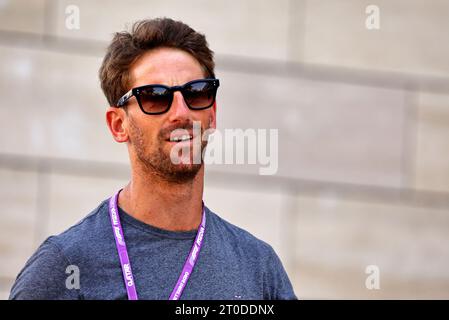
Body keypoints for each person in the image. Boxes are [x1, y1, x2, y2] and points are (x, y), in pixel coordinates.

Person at [9, 17, 297, 300]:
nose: (181, 113)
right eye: (155, 97)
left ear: (213, 113)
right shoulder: (64, 266)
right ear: (118, 125)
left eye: (196, 93)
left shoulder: (259, 268)